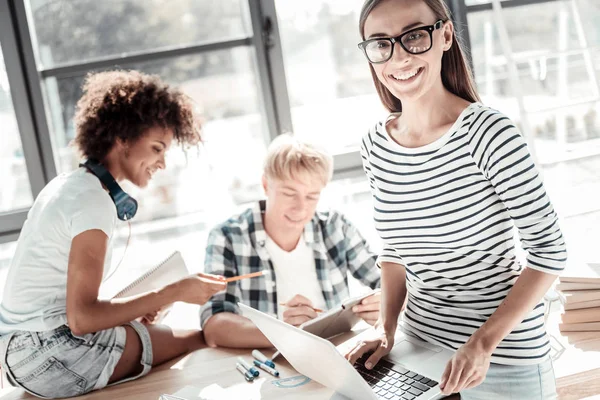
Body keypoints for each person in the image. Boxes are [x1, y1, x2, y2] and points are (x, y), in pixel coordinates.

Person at [344, 1, 567, 399]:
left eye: (413, 36)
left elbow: (549, 251)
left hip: (500, 360)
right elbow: (395, 251)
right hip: (418, 353)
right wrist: (385, 327)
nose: (399, 57)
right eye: (381, 44)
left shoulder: (489, 133)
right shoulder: (375, 145)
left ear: (445, 35)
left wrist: (481, 345)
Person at [0, 70, 227, 398]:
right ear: (122, 137)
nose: (162, 163)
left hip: (15, 356)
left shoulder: (71, 185)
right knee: (197, 336)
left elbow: (70, 308)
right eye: (156, 148)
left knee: (149, 330)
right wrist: (173, 292)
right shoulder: (93, 201)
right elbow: (81, 319)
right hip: (49, 353)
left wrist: (136, 308)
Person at [201, 134, 382, 348]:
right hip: (268, 365)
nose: (301, 208)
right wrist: (285, 333)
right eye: (289, 193)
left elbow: (388, 282)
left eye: (312, 196)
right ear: (266, 185)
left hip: (336, 353)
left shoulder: (336, 227)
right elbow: (214, 325)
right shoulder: (228, 237)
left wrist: (384, 304)